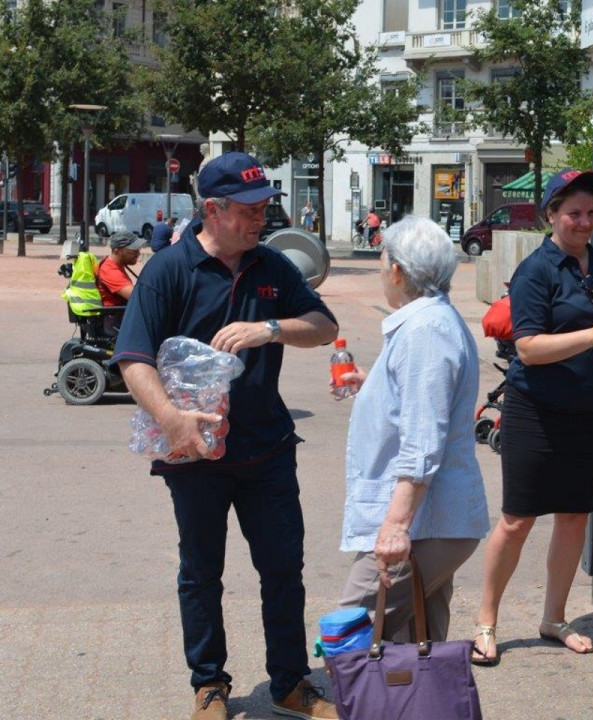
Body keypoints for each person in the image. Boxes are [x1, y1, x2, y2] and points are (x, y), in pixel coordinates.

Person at [112, 151, 341, 720]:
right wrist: (173, 420)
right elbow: (133, 358)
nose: (262, 217)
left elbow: (324, 327)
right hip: (194, 454)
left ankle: (290, 683)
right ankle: (209, 684)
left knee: (283, 569)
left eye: (265, 206)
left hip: (268, 450)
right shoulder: (169, 270)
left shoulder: (272, 265)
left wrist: (271, 329)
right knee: (201, 573)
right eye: (249, 209)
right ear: (213, 210)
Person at [471, 168, 593, 666]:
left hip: (588, 410)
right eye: (573, 213)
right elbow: (528, 347)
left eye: (591, 213)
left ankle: (554, 618)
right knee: (517, 520)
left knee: (573, 517)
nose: (584, 222)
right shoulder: (536, 271)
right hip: (535, 411)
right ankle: (486, 622)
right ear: (551, 215)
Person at [336, 216, 489, 642]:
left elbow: (423, 442)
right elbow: (425, 402)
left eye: (382, 259)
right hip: (433, 524)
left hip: (426, 524)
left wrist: (396, 525)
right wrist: (376, 384)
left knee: (349, 636)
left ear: (398, 271)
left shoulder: (426, 331)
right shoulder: (431, 322)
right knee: (419, 646)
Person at [96, 231, 144, 307]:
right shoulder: (110, 271)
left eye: (138, 249)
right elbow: (138, 298)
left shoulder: (117, 265)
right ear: (117, 251)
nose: (138, 253)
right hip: (117, 313)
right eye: (133, 250)